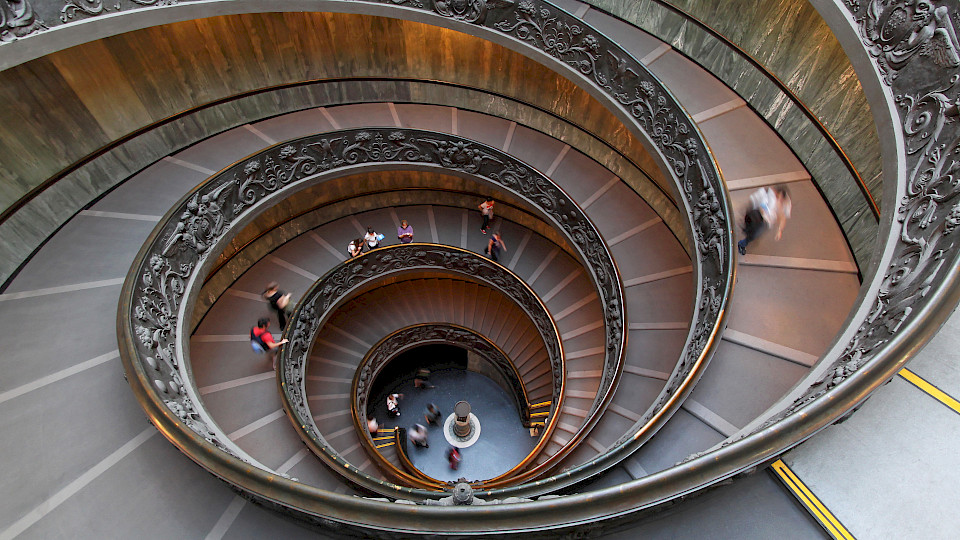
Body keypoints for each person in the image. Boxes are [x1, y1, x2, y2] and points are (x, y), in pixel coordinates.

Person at [737, 185, 792, 256]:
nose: (779, 200)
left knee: (755, 234)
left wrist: (779, 230)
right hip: (757, 214)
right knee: (752, 231)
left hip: (766, 222)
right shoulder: (766, 194)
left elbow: (782, 217)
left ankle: (743, 242)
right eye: (778, 197)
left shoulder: (785, 204)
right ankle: (745, 236)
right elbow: (756, 203)